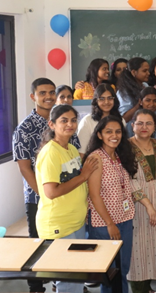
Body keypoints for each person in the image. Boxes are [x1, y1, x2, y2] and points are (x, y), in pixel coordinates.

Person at [13, 78, 82, 293]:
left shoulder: (65, 119)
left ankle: (60, 284)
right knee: (39, 247)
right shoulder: (24, 128)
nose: (48, 96)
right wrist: (44, 194)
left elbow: (76, 155)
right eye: (42, 93)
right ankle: (37, 287)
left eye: (52, 92)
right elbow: (25, 168)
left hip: (65, 199)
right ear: (33, 97)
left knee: (62, 255)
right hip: (39, 198)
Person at [35, 104, 99, 293]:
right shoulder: (50, 152)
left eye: (73, 120)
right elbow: (51, 192)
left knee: (76, 275)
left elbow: (76, 182)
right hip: (59, 224)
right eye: (64, 120)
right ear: (52, 124)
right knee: (68, 280)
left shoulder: (70, 148)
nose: (70, 124)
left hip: (75, 222)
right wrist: (84, 176)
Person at [85, 116, 138, 293]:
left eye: (118, 131)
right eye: (109, 131)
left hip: (125, 219)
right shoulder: (96, 158)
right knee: (109, 272)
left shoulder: (120, 156)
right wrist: (110, 223)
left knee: (123, 268)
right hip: (104, 223)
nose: (114, 135)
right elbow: (94, 195)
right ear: (100, 135)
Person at [127, 109, 156, 293]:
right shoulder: (126, 147)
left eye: (148, 123)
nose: (144, 127)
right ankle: (138, 288)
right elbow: (129, 179)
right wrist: (148, 205)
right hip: (138, 201)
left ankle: (149, 286)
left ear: (155, 126)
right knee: (138, 245)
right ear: (132, 125)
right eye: (140, 123)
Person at [77, 83, 123, 155]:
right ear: (96, 101)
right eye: (102, 99)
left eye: (110, 98)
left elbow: (123, 145)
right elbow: (81, 152)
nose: (106, 102)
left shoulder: (120, 120)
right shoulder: (87, 121)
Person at [116, 57, 150, 122]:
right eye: (144, 71)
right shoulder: (123, 92)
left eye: (148, 70)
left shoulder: (145, 85)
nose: (148, 73)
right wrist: (139, 104)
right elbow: (124, 118)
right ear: (134, 72)